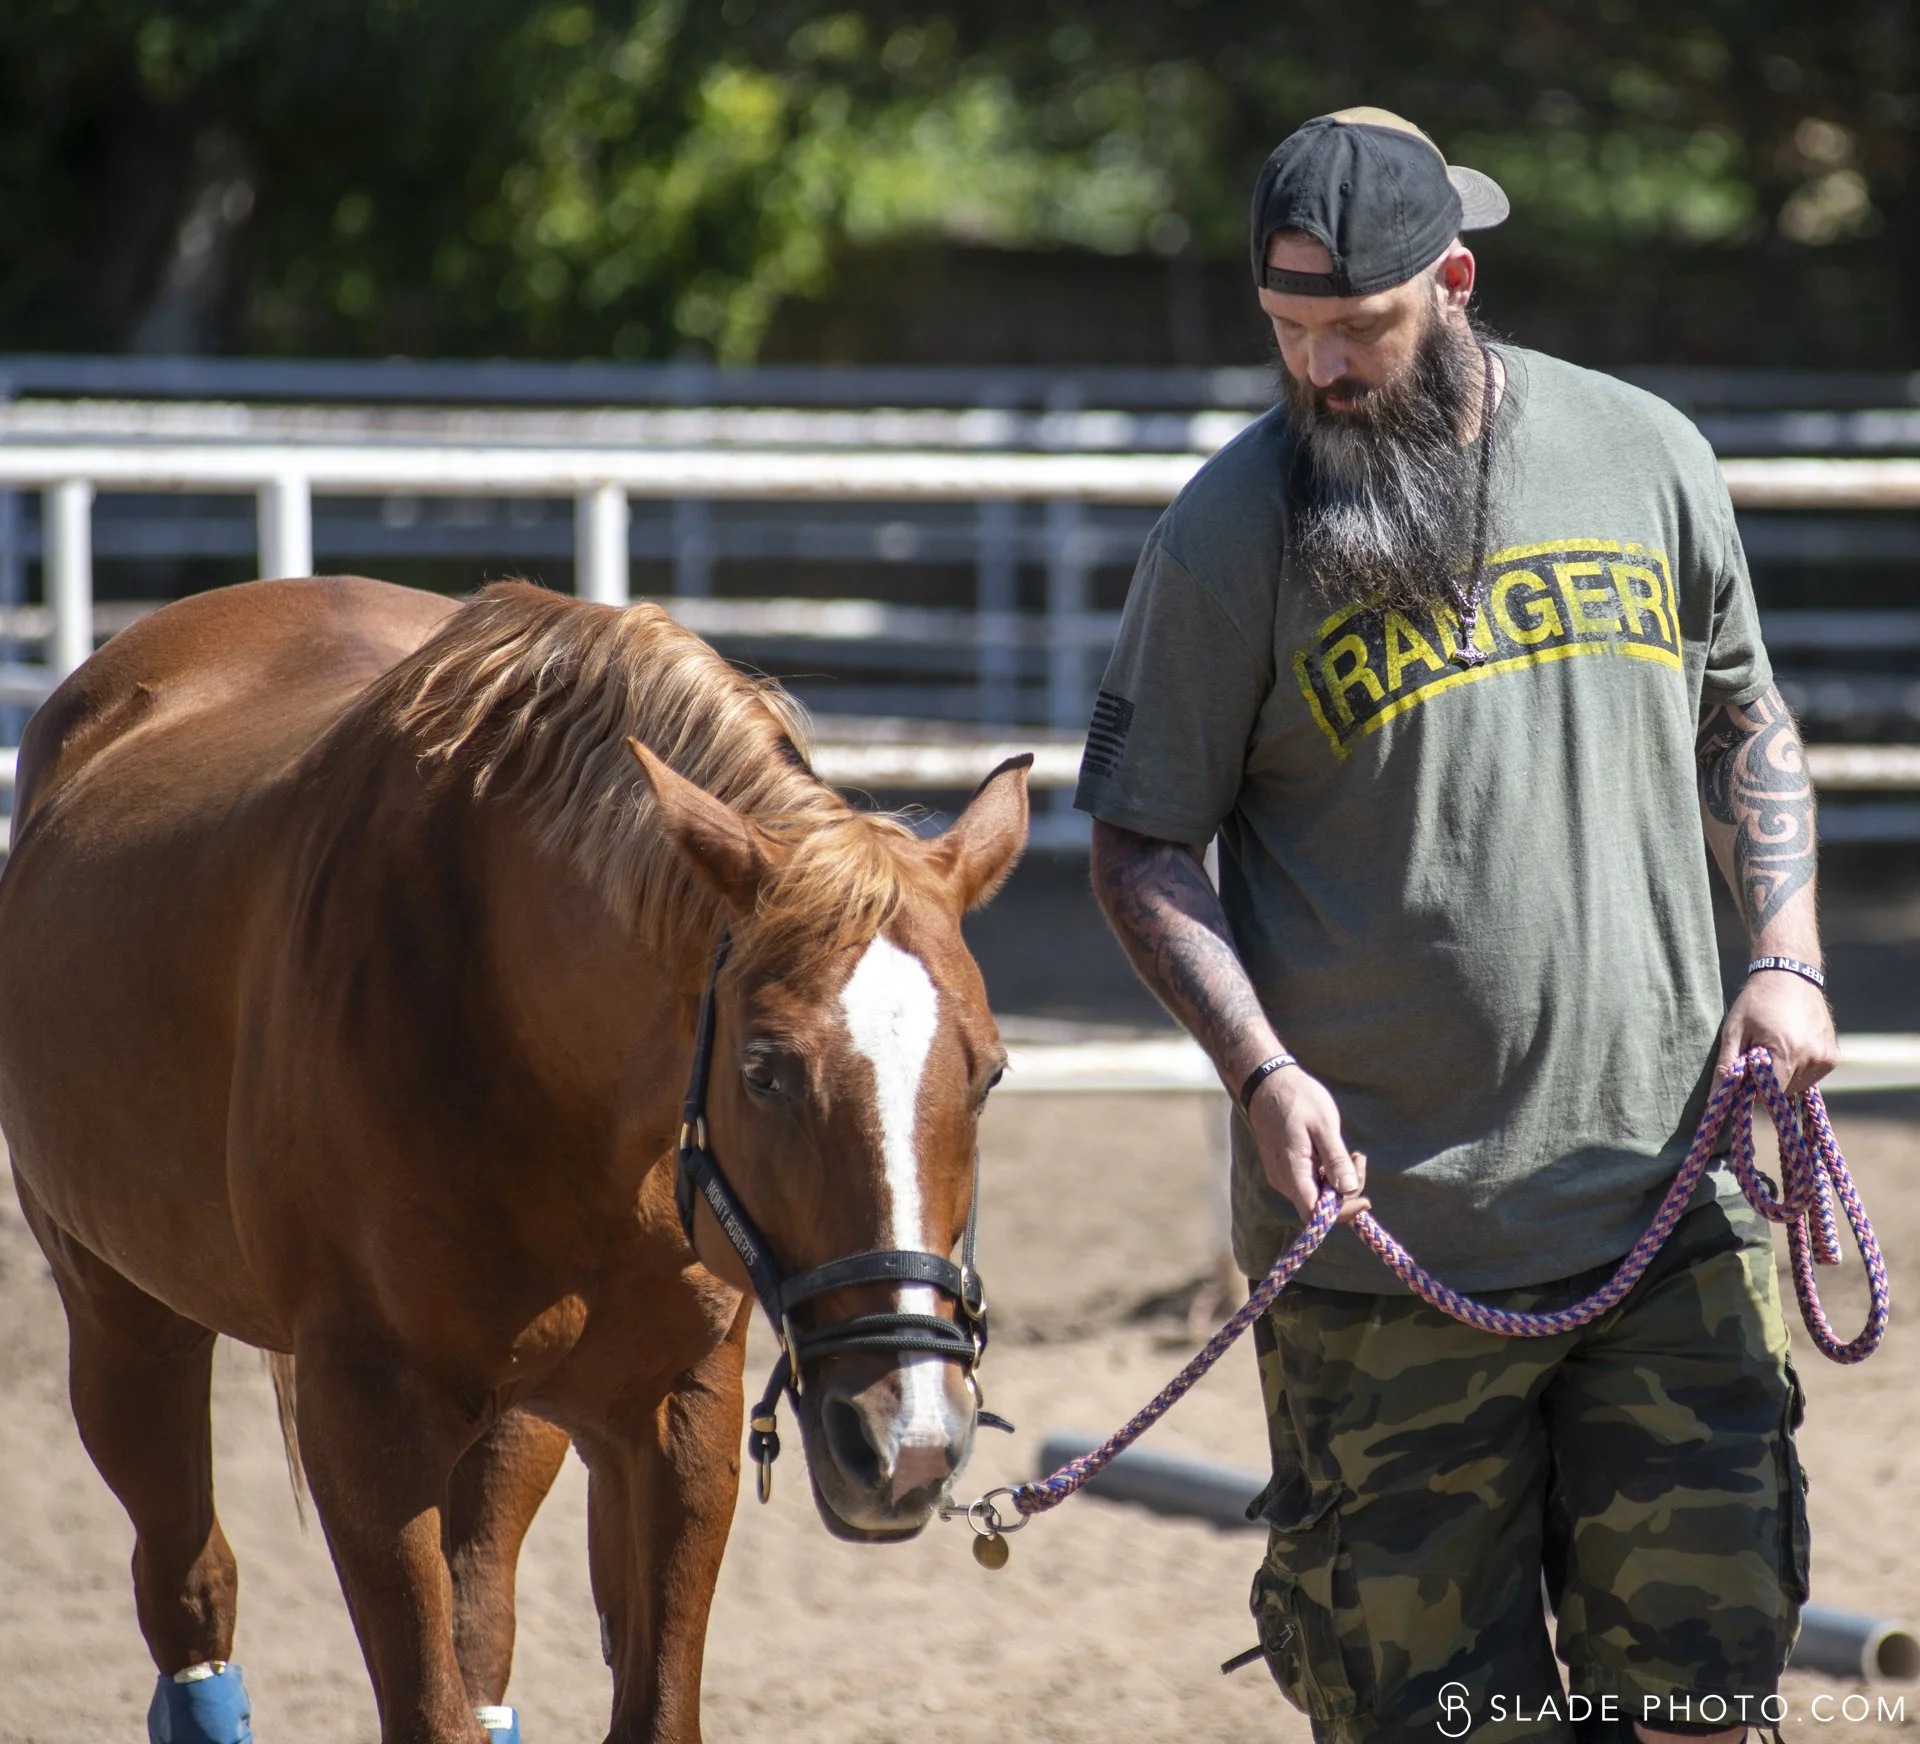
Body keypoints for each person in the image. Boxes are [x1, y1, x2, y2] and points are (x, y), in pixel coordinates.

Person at [1074, 107, 1834, 1744]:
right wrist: (1260, 1069)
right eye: (1290, 333)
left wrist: (1783, 956)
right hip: (1382, 1262)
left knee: (1703, 1702)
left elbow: (1745, 720)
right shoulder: (1227, 534)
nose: (1325, 371)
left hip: (1673, 1216)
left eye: (1361, 328)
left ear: (1459, 283)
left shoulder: (1647, 456)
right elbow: (1138, 843)